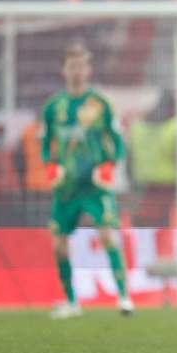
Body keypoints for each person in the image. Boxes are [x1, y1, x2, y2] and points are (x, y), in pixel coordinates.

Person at [41, 42, 133, 318]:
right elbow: (46, 143)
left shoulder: (101, 104)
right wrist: (51, 166)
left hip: (95, 185)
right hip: (66, 186)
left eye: (81, 65)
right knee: (58, 244)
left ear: (89, 69)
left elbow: (118, 141)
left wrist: (108, 165)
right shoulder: (53, 107)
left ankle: (125, 298)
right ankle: (71, 302)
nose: (77, 71)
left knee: (107, 236)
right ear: (64, 69)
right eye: (72, 66)